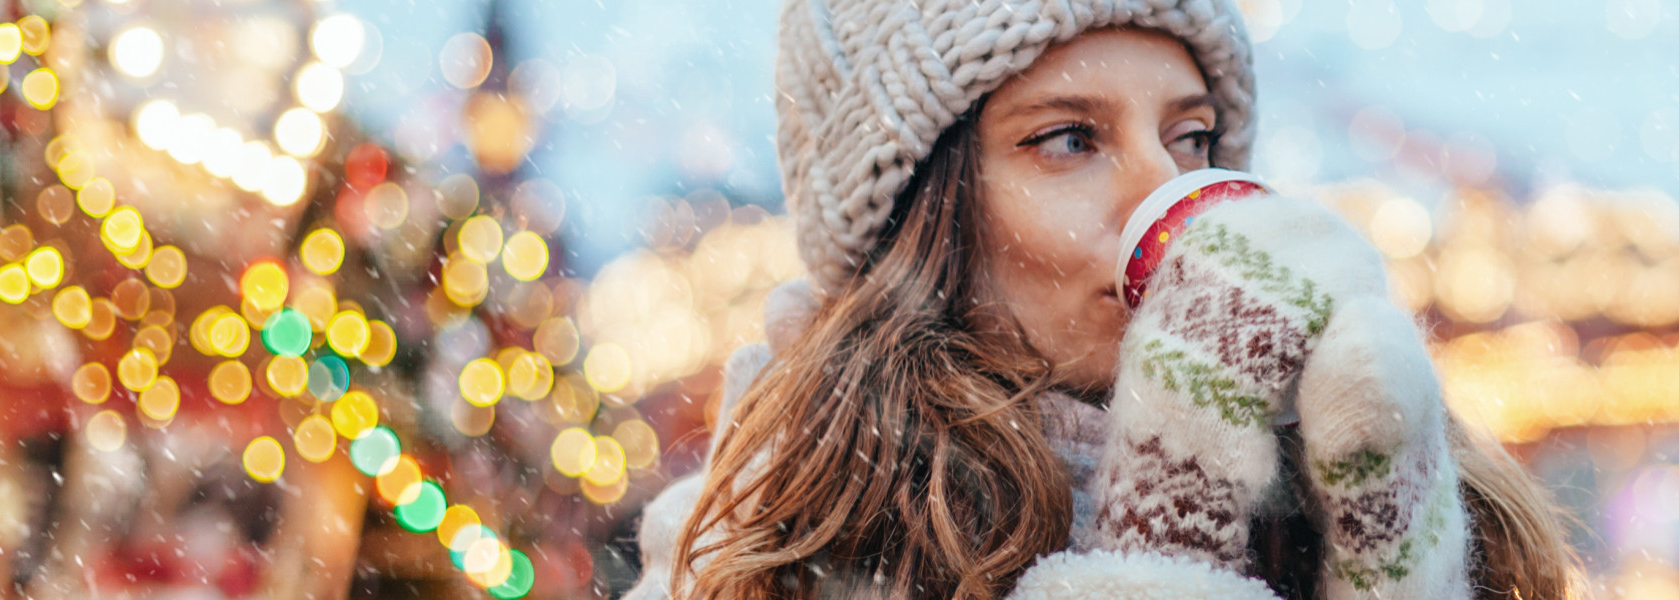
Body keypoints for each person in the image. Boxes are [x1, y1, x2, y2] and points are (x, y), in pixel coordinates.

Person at [621, 1, 1579, 599]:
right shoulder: (763, 562)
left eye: (1192, 139)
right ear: (920, 224)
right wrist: (1175, 518)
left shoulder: (1348, 457)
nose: (1165, 197)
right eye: (1071, 139)